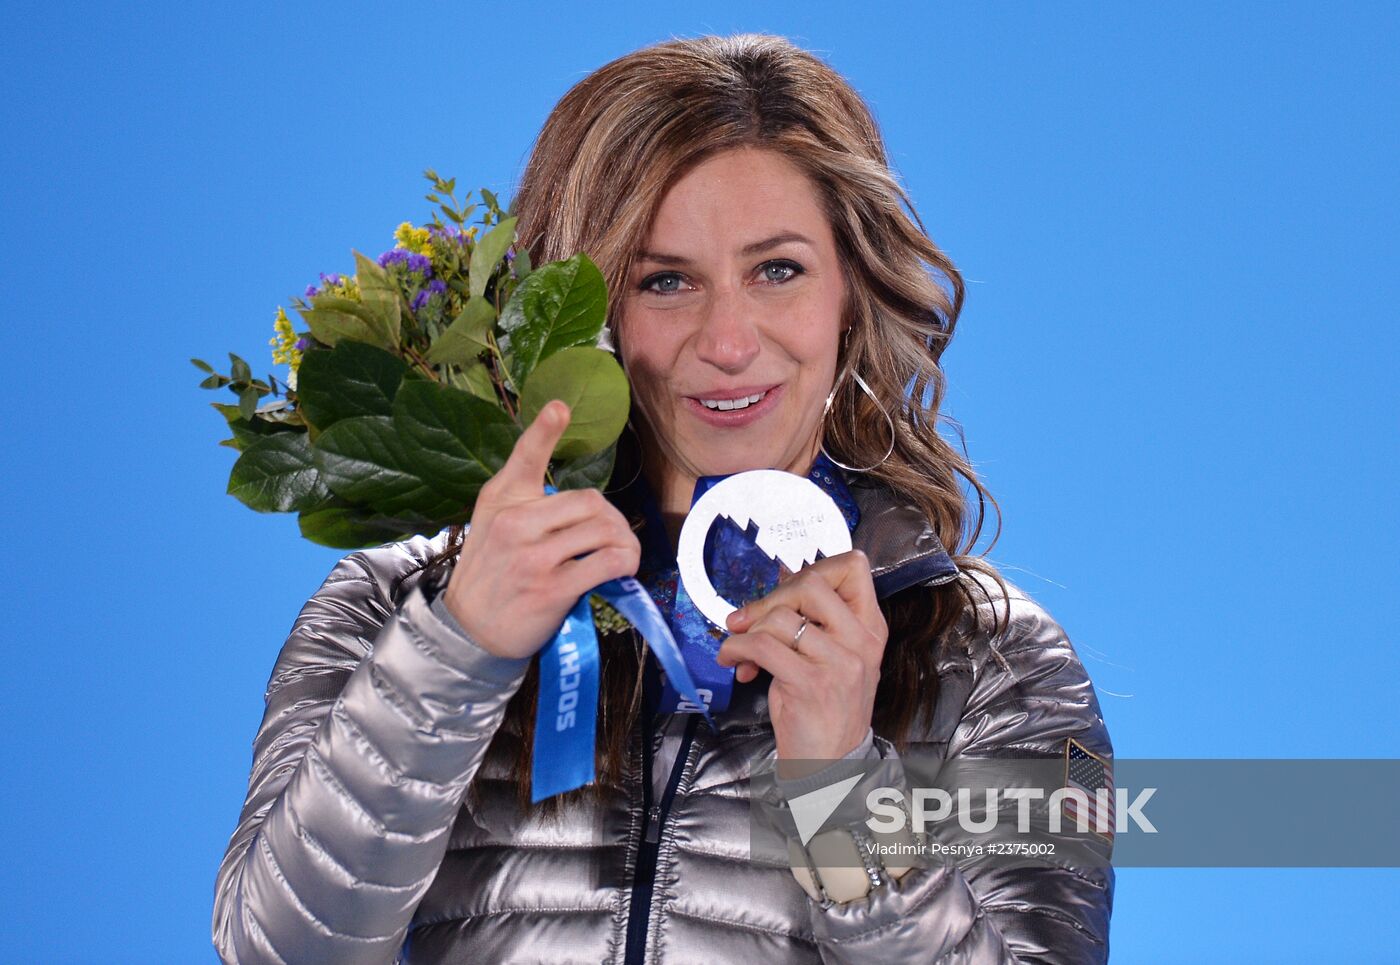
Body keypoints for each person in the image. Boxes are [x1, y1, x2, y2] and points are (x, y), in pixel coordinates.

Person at [212, 33, 1114, 964]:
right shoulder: (389, 610)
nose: (728, 340)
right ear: (587, 303)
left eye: (777, 269)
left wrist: (840, 793)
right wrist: (453, 654)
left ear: (851, 290)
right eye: (666, 280)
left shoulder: (1004, 661)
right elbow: (273, 949)